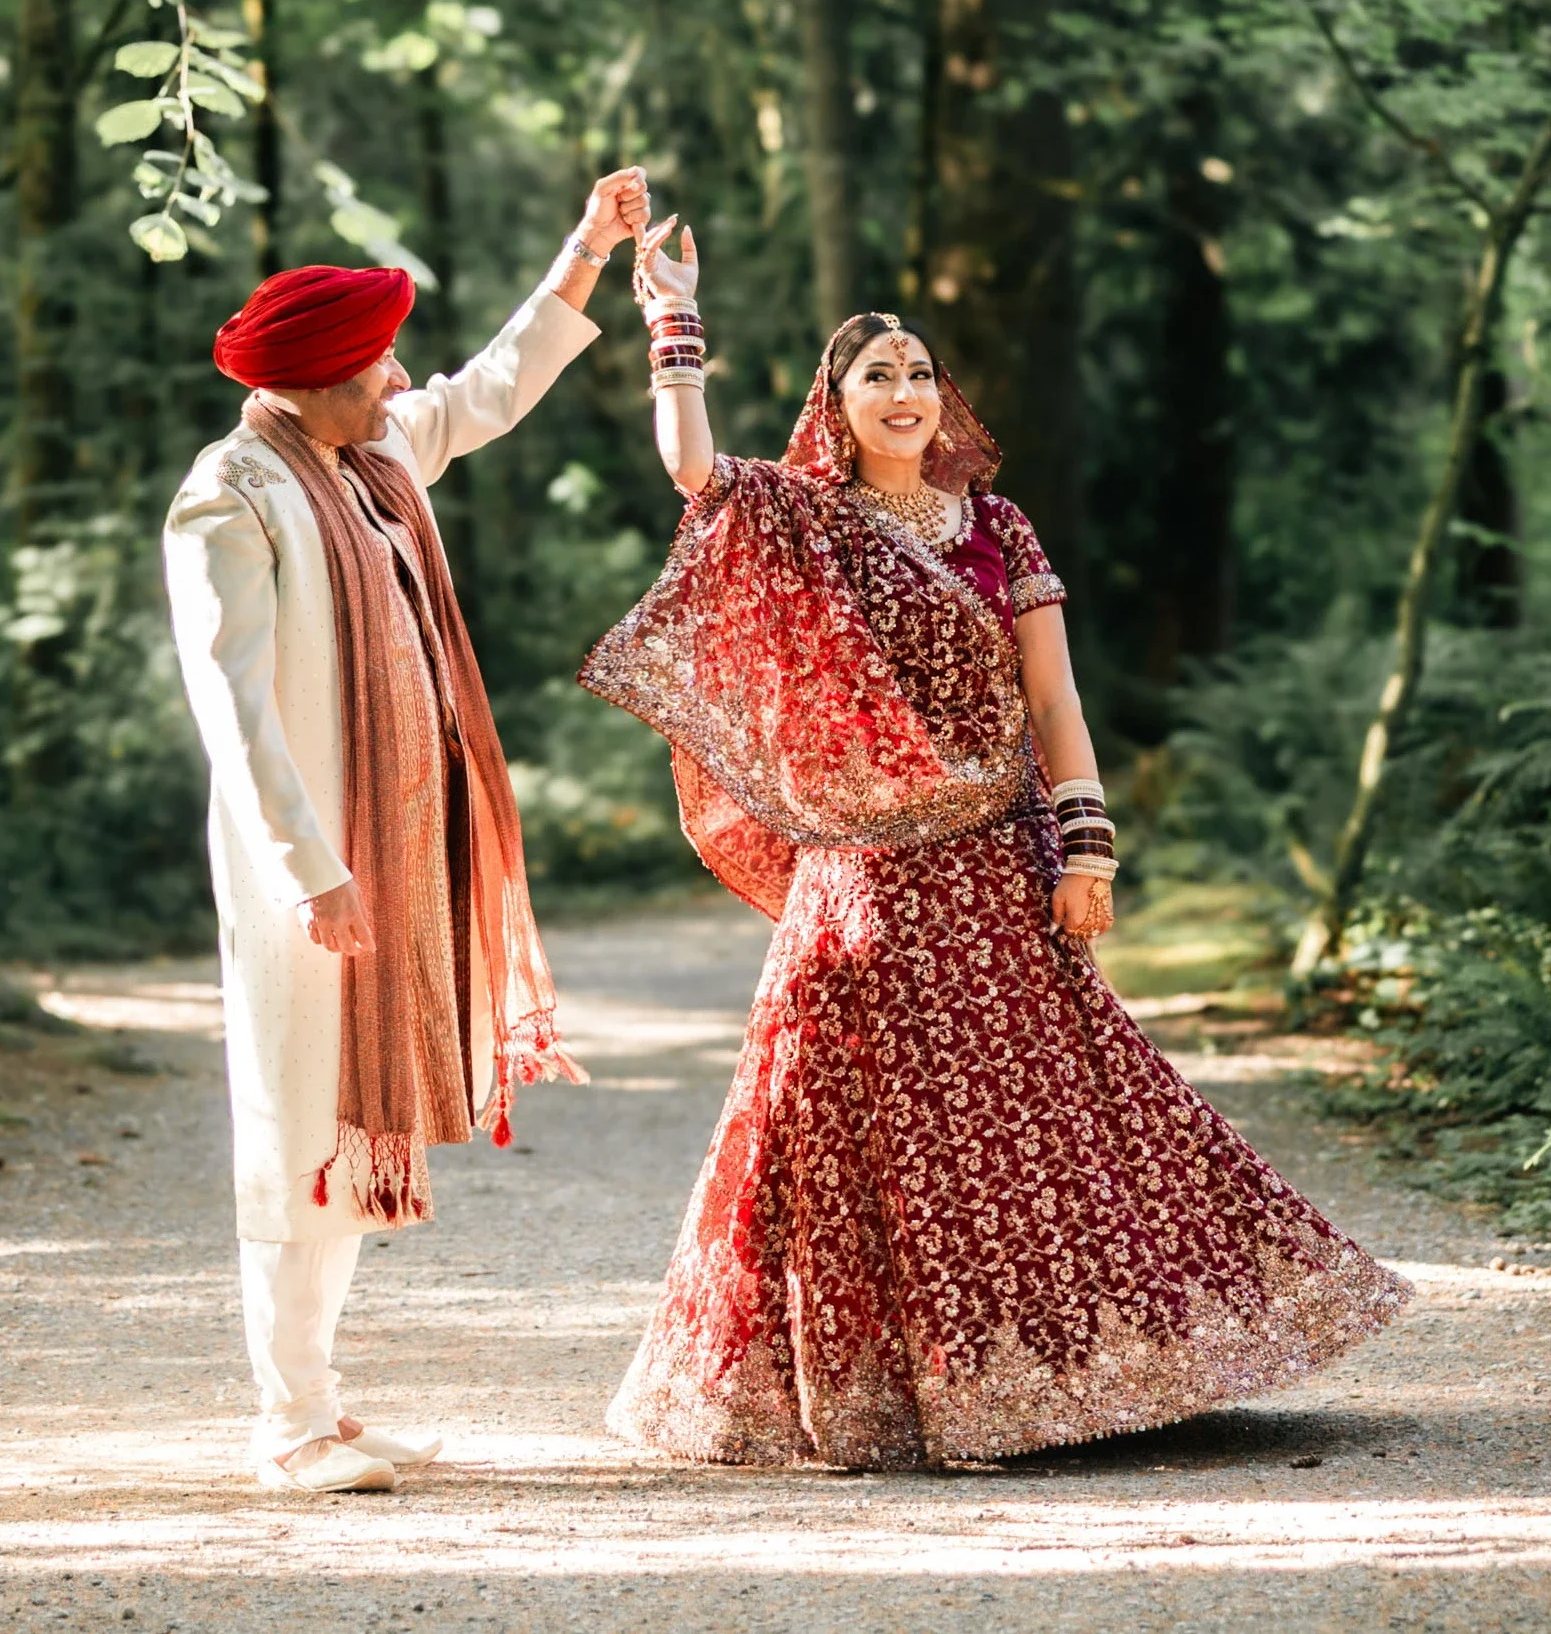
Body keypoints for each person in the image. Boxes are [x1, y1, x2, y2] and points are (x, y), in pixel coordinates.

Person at [580, 214, 1408, 1469]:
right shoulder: (806, 521)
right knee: (838, 1110)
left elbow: (1057, 703)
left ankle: (1075, 1370)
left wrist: (1088, 848)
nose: (905, 393)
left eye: (920, 373)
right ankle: (878, 1392)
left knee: (1040, 1114)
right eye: (877, 377)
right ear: (838, 403)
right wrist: (673, 322)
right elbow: (693, 469)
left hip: (997, 863)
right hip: (860, 876)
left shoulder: (998, 528)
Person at [164, 169, 648, 1493]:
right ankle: (285, 1425)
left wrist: (584, 250)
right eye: (373, 369)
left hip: (396, 851)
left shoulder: (365, 459)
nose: (397, 384)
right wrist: (308, 866)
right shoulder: (231, 495)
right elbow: (235, 700)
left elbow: (491, 384)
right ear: (310, 382)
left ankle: (321, 1400)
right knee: (292, 1124)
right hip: (305, 869)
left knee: (353, 1120)